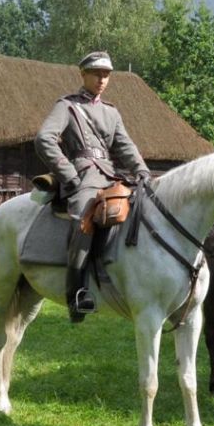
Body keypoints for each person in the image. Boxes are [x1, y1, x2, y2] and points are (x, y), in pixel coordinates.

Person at [35, 51, 151, 323]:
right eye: (97, 73)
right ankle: (76, 293)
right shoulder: (67, 106)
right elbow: (44, 139)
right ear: (83, 74)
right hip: (83, 176)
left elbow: (125, 147)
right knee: (84, 220)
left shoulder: (111, 112)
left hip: (111, 175)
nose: (102, 79)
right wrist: (69, 175)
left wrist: (143, 172)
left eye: (106, 75)